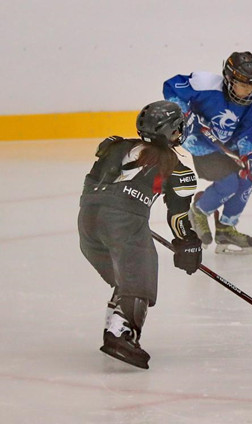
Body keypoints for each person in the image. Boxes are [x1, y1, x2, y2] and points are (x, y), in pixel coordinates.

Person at [78, 101, 203, 369]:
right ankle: (121, 334)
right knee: (141, 273)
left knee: (126, 276)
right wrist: (187, 244)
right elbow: (178, 217)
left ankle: (116, 322)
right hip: (123, 221)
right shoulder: (177, 167)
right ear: (172, 131)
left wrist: (120, 211)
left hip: (87, 221)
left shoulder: (114, 145)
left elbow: (95, 185)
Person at [163, 51, 252, 255]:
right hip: (201, 144)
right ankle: (198, 211)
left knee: (249, 178)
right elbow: (172, 87)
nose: (249, 91)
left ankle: (226, 227)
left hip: (228, 147)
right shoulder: (205, 84)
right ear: (228, 78)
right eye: (244, 85)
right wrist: (183, 113)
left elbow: (249, 134)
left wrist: (249, 156)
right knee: (228, 184)